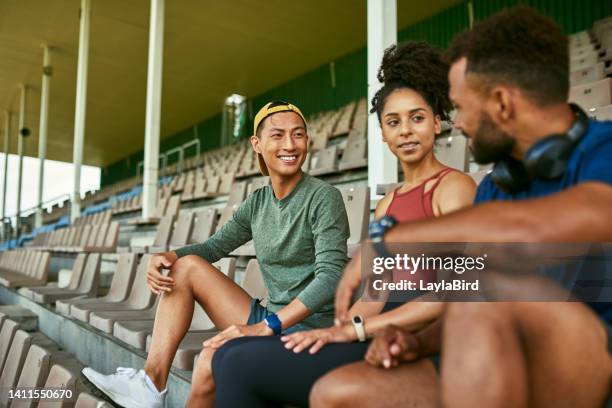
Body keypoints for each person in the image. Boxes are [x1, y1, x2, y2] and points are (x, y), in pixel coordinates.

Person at [310, 7, 612, 408]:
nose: (459, 123)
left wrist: (389, 241)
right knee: (335, 394)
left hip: (592, 356)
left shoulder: (604, 147)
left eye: (462, 106)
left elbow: (577, 215)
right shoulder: (495, 188)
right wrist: (416, 342)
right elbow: (463, 285)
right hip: (503, 359)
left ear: (502, 103)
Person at [211, 42, 476, 408]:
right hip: (374, 334)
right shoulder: (387, 205)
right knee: (228, 355)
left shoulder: (455, 188)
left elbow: (455, 293)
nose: (406, 132)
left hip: (423, 344)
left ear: (436, 121)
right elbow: (375, 295)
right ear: (382, 133)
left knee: (240, 363)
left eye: (417, 118)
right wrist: (335, 331)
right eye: (393, 122)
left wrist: (357, 330)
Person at [82, 101, 350, 408]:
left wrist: (268, 326)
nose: (289, 144)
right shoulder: (258, 202)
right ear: (257, 143)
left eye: (298, 134)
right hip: (273, 318)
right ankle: (151, 383)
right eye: (277, 135)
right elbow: (213, 248)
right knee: (186, 267)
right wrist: (167, 255)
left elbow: (331, 276)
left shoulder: (323, 197)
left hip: (310, 329)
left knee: (208, 359)